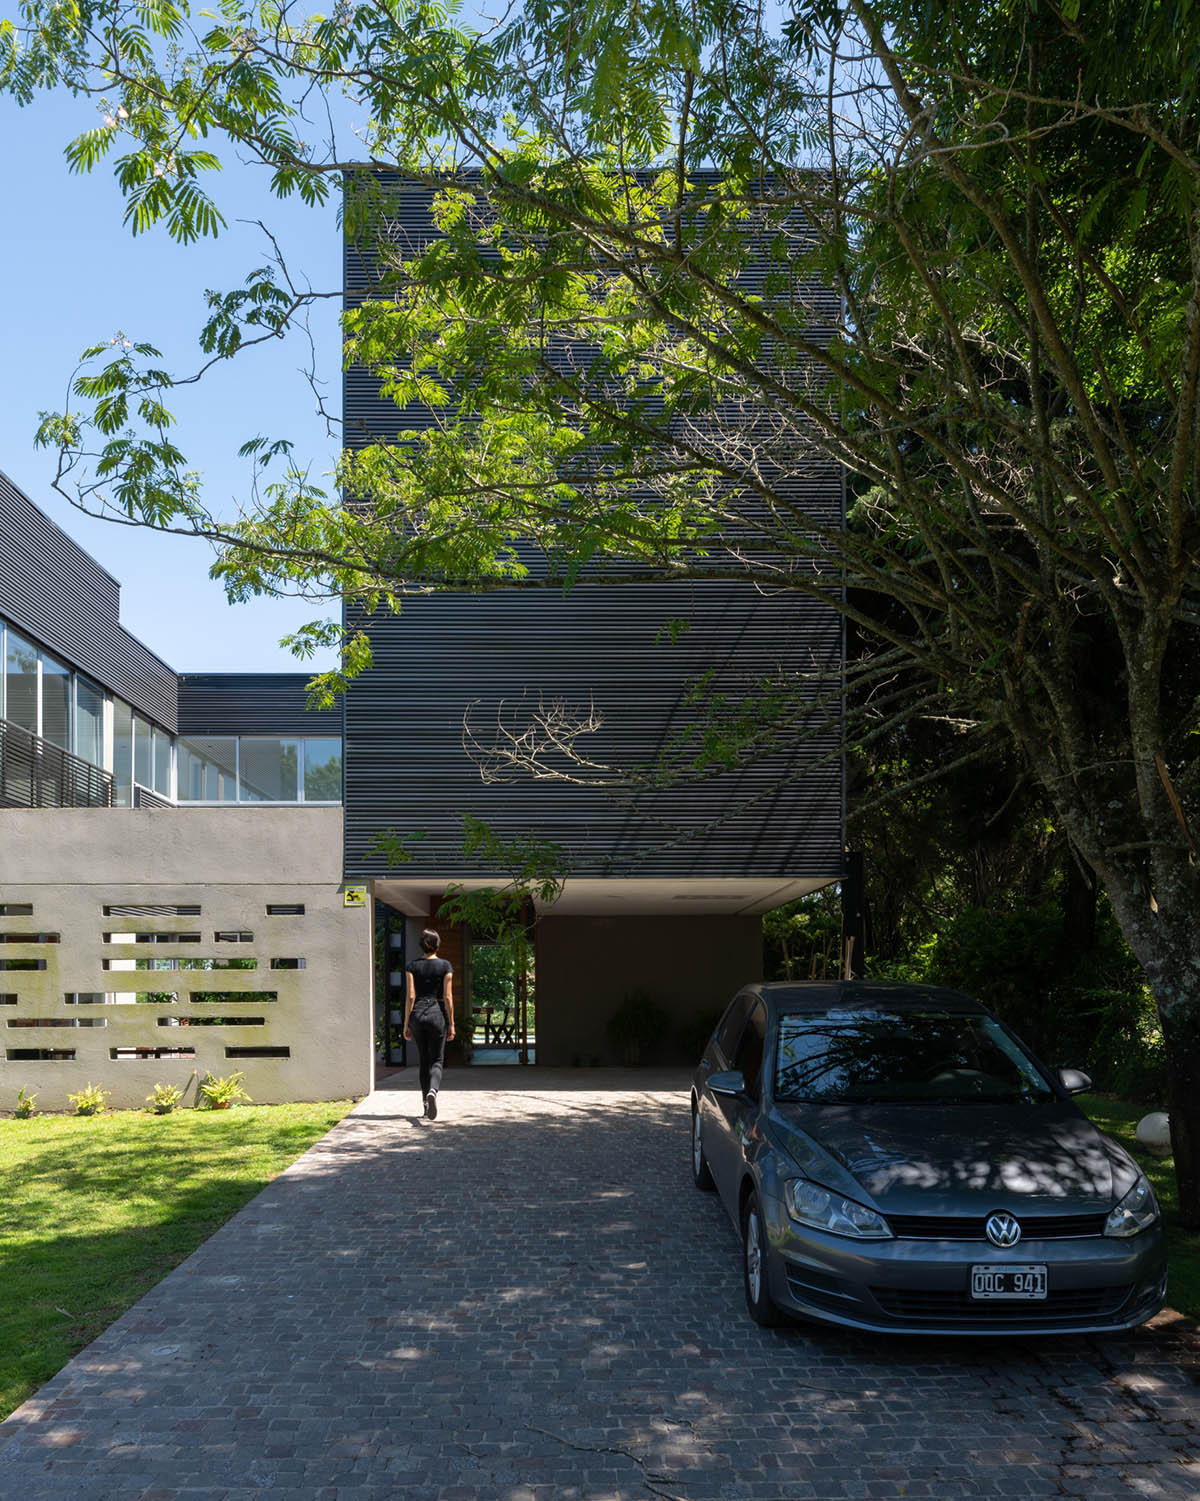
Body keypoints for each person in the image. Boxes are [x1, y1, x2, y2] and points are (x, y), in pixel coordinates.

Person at [403, 929, 455, 1120]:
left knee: (424, 1061)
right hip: (436, 1014)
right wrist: (452, 1024)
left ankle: (426, 1104)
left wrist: (406, 1023)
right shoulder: (445, 966)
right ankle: (433, 1091)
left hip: (417, 1014)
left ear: (421, 945)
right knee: (437, 1061)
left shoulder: (412, 966)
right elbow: (447, 997)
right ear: (437, 944)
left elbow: (410, 996)